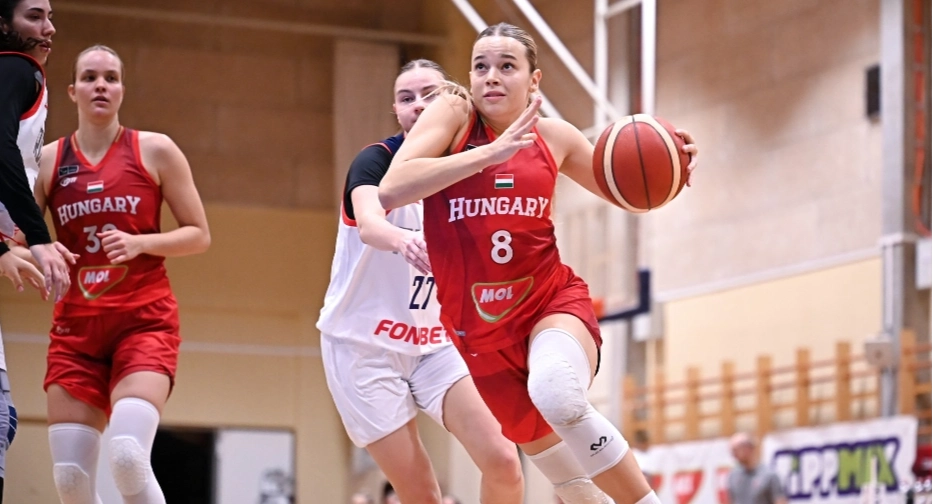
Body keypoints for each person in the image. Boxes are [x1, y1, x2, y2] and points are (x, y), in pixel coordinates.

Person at [379, 23, 698, 504]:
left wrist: (670, 162)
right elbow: (392, 188)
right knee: (569, 480)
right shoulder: (454, 115)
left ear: (534, 80)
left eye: (507, 66)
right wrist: (489, 154)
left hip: (549, 303)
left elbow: (627, 191)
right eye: (481, 66)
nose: (491, 76)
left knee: (556, 393)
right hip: (478, 332)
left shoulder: (555, 137)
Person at [317, 58, 524, 504]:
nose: (418, 105)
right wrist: (403, 239)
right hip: (363, 346)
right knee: (422, 493)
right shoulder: (375, 160)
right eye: (406, 98)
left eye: (429, 94)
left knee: (505, 462)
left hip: (435, 343)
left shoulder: (471, 168)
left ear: (453, 100)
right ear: (396, 110)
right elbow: (369, 222)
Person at [27, 45, 210, 504]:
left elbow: (199, 234)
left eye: (110, 77)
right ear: (72, 90)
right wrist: (37, 253)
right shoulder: (49, 160)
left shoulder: (155, 149)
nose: (101, 85)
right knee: (70, 480)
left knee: (127, 457)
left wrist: (142, 243)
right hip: (76, 329)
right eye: (90, 77)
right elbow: (21, 238)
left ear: (122, 90)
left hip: (143, 321)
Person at [0, 0, 73, 301]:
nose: (49, 28)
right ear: (3, 24)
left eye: (49, 17)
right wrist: (39, 238)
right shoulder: (17, 68)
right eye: (34, 17)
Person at [726, 433, 786, 504]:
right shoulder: (733, 476)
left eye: (735, 450)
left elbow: (780, 501)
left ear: (747, 449)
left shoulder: (770, 475)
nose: (733, 455)